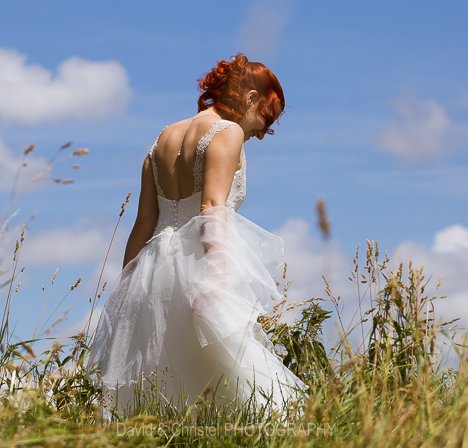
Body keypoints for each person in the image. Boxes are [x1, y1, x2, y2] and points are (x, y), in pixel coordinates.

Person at [87, 53, 306, 419]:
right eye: (266, 119)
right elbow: (212, 206)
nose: (261, 133)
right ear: (251, 98)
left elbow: (143, 223)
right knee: (238, 391)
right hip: (197, 266)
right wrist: (216, 280)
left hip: (150, 273)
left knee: (157, 391)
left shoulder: (162, 138)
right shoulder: (227, 132)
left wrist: (125, 289)